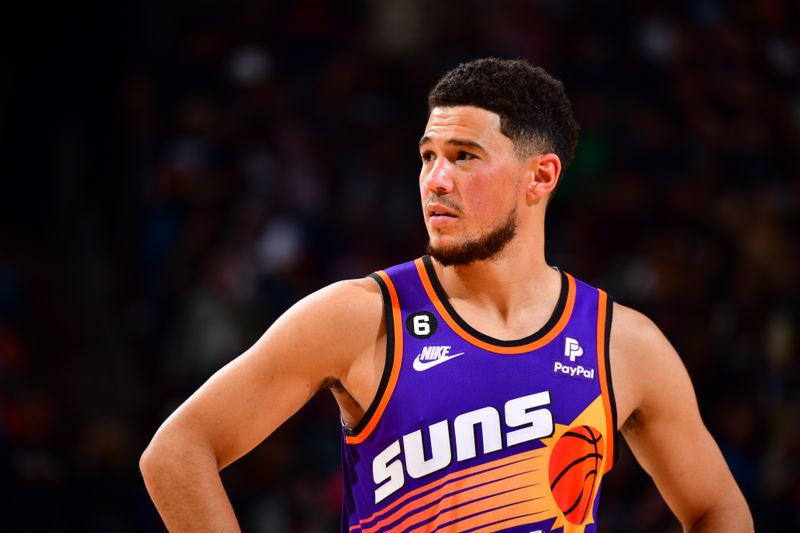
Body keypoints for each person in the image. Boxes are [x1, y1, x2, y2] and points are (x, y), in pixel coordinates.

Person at [140, 58, 753, 532]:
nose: (435, 180)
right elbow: (176, 453)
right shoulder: (360, 316)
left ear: (540, 176)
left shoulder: (623, 344)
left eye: (464, 157)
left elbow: (717, 508)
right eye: (428, 156)